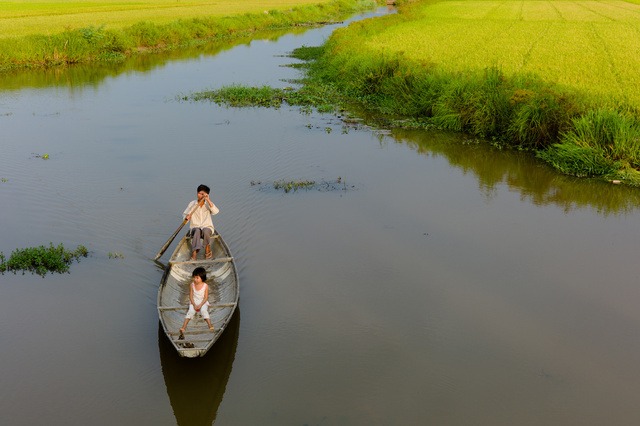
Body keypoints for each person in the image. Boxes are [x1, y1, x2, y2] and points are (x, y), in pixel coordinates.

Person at [183, 184, 219, 260]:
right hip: (195, 228)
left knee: (206, 230)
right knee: (197, 231)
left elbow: (216, 212)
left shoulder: (209, 204)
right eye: (199, 193)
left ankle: (207, 248)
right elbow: (185, 215)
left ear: (206, 195)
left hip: (207, 227)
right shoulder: (192, 204)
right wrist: (187, 217)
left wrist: (208, 200)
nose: (200, 196)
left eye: (202, 194)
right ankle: (194, 252)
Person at [180, 267, 214, 332]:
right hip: (194, 301)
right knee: (190, 312)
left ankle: (210, 326)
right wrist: (194, 304)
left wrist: (201, 305)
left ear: (202, 278)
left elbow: (205, 297)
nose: (195, 279)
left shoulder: (205, 286)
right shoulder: (192, 285)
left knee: (204, 311)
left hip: (203, 301)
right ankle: (183, 327)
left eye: (197, 278)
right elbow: (191, 296)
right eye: (194, 277)